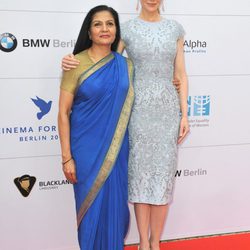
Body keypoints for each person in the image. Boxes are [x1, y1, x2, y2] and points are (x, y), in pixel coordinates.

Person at [61, 1, 189, 249]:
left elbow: (181, 74)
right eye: (99, 24)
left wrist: (184, 114)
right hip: (135, 111)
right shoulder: (126, 29)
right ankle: (142, 242)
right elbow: (107, 64)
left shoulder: (176, 29)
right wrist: (70, 60)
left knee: (162, 176)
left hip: (166, 111)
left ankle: (155, 242)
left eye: (108, 24)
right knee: (140, 176)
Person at [58, 5, 134, 250]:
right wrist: (67, 157)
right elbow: (62, 112)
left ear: (116, 30)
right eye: (98, 24)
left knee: (116, 209)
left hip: (118, 148)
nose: (104, 29)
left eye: (110, 24)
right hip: (84, 151)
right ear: (89, 32)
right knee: (89, 212)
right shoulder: (75, 63)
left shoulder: (126, 66)